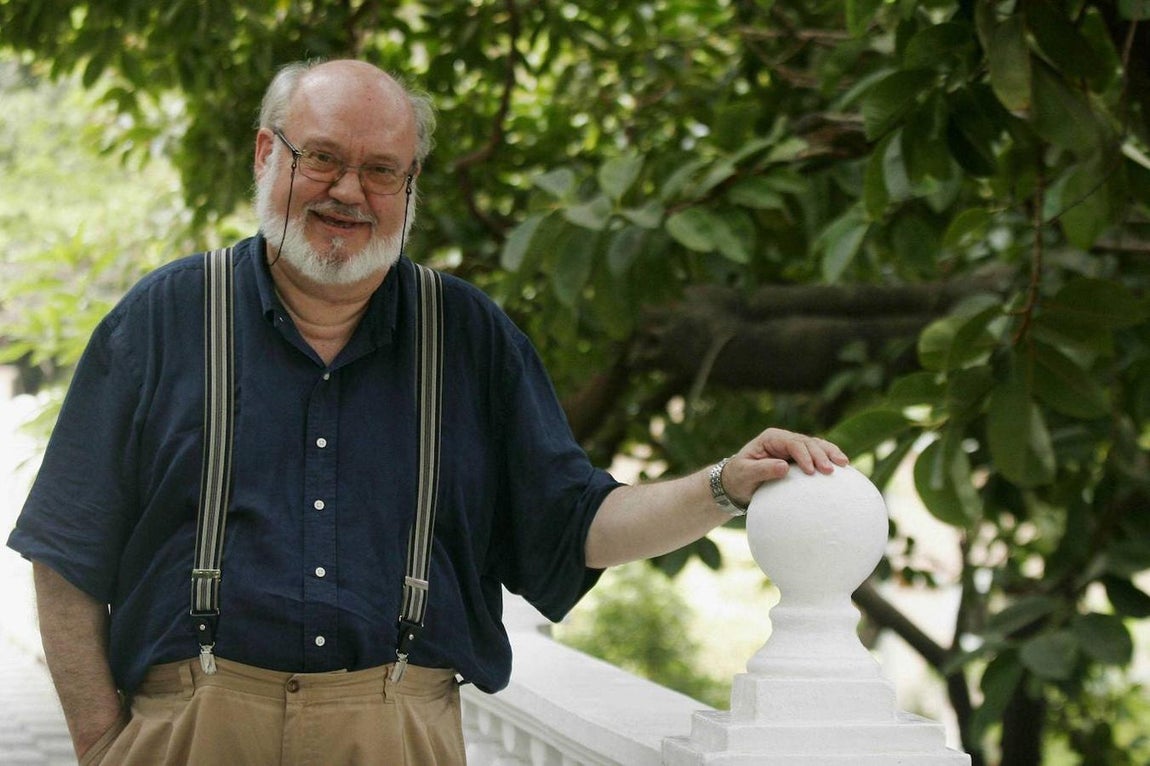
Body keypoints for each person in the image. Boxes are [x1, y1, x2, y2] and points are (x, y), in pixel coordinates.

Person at [6, 59, 848, 765]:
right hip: (192, 731)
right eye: (322, 158)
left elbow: (578, 526)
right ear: (267, 154)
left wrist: (724, 485)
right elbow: (66, 554)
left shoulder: (470, 337)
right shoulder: (162, 319)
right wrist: (102, 747)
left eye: (382, 170)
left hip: (398, 733)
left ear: (410, 186)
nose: (349, 191)